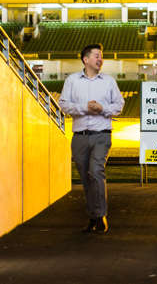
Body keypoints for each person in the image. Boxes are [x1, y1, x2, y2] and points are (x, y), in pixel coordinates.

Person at [59, 44, 124, 234]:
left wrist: (102, 109)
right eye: (96, 56)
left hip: (101, 135)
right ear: (85, 59)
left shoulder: (109, 81)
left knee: (96, 172)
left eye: (101, 56)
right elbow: (63, 104)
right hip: (79, 137)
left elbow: (119, 105)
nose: (100, 59)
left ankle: (101, 215)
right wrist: (85, 108)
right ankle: (93, 215)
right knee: (86, 178)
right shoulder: (72, 81)